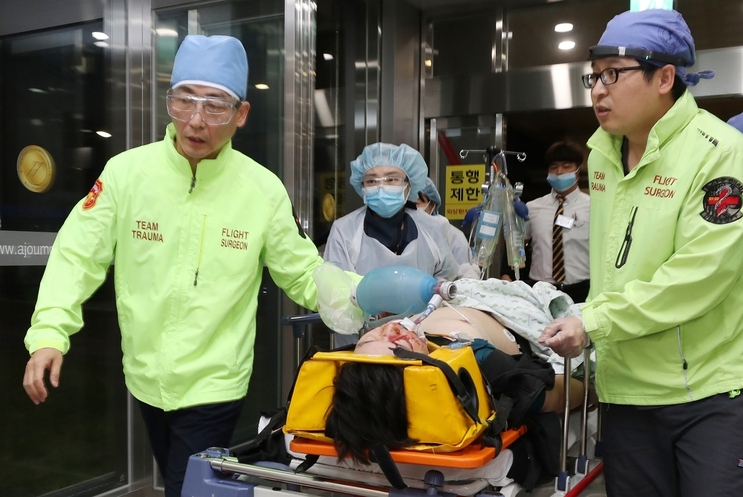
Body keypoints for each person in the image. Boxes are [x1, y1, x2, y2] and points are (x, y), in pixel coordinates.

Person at [22, 35, 335, 497]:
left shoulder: (262, 190)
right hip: (145, 376)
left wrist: (361, 298)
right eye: (183, 100)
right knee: (180, 479)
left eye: (215, 106)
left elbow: (304, 273)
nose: (195, 120)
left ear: (241, 115)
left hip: (216, 380)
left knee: (187, 487)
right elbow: (77, 254)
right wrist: (50, 333)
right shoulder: (127, 174)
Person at [539, 9, 743, 497]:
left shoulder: (719, 153)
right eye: (594, 75)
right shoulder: (605, 152)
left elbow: (701, 274)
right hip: (624, 392)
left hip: (704, 393)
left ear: (665, 78)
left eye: (614, 73)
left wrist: (596, 321)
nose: (598, 89)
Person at [324, 143, 460, 345]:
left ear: (408, 184)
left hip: (422, 339)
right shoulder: (345, 230)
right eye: (371, 180)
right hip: (361, 344)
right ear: (361, 187)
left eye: (391, 179)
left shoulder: (430, 227)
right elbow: (335, 292)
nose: (381, 186)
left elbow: (446, 276)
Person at [524, 141, 590, 303]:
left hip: (581, 289)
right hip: (540, 290)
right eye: (554, 167)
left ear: (578, 170)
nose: (559, 172)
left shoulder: (593, 206)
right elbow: (518, 246)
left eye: (566, 166)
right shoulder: (532, 207)